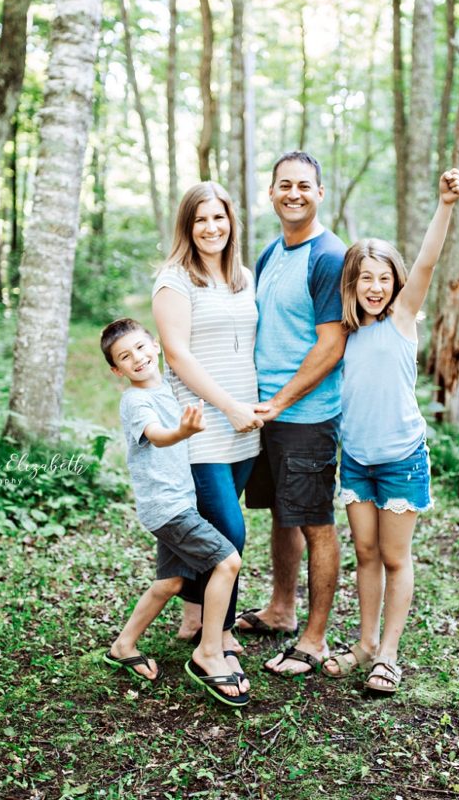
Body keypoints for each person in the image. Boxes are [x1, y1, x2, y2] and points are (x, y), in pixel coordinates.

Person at [322, 168, 459, 694]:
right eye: (366, 278)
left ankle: (388, 654)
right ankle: (363, 644)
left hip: (402, 458)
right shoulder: (345, 332)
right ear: (352, 285)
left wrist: (446, 203)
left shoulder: (403, 318)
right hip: (356, 459)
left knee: (394, 556)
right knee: (364, 553)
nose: (376, 287)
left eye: (384, 278)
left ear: (395, 283)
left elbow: (427, 258)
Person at [99, 318, 250, 707]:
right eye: (125, 357)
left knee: (170, 583)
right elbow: (156, 435)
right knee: (227, 561)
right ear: (117, 370)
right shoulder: (135, 400)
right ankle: (210, 650)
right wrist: (181, 433)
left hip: (177, 504)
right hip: (168, 509)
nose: (138, 358)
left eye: (141, 347)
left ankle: (123, 644)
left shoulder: (166, 384)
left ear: (155, 344)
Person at [237, 150, 347, 676]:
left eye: (304, 185)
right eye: (284, 185)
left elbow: (332, 344)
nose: (294, 193)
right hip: (267, 415)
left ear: (320, 193)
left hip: (307, 418)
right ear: (272, 192)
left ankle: (316, 638)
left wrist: (281, 400)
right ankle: (281, 610)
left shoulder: (329, 257)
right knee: (283, 514)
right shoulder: (270, 253)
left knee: (315, 522)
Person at [152, 183, 262, 689]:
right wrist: (229, 406)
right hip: (202, 424)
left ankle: (193, 616)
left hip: (244, 428)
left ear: (231, 222)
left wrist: (251, 407)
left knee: (215, 524)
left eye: (219, 217)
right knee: (229, 534)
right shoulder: (175, 281)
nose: (211, 227)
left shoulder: (242, 277)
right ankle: (212, 641)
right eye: (200, 219)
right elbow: (177, 355)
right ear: (187, 226)